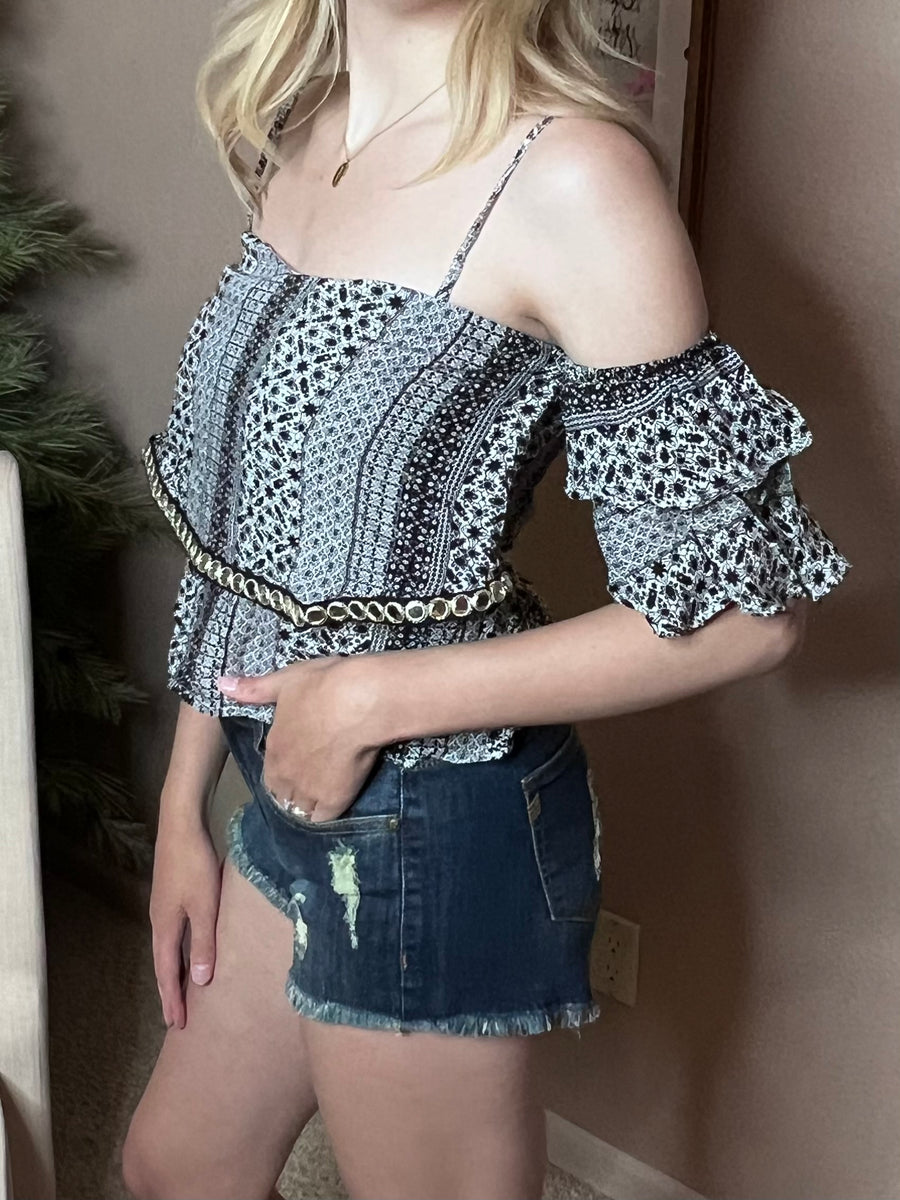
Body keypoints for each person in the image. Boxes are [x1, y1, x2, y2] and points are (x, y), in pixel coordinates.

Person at [122, 2, 851, 1197]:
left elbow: (748, 611)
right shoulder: (301, 123)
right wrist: (180, 805)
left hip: (432, 809)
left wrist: (367, 699)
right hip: (286, 765)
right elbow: (244, 536)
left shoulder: (574, 179)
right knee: (175, 1166)